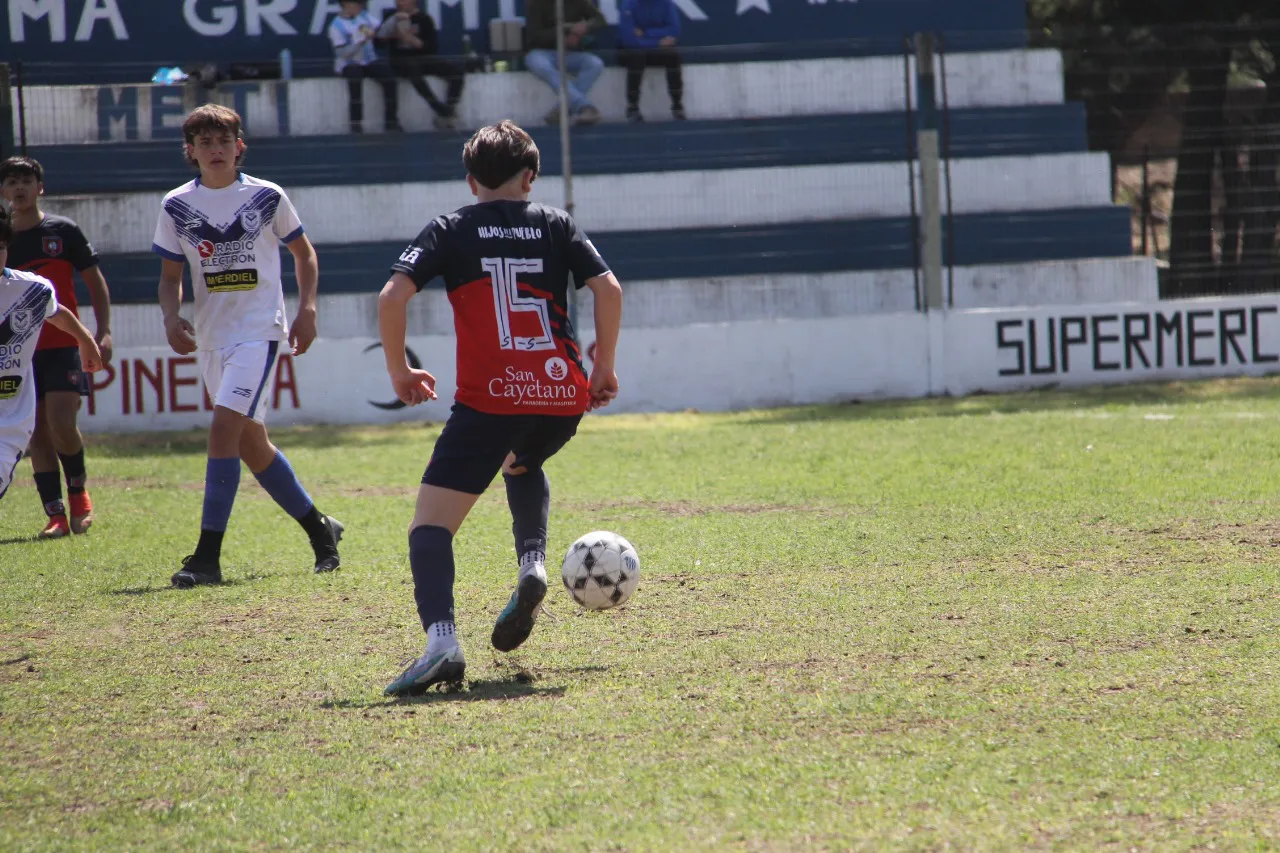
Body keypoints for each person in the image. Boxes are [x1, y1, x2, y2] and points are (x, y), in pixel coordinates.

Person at [378, 120, 623, 695]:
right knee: (522, 462)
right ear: (530, 176)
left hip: (491, 398)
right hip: (562, 394)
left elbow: (393, 293)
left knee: (430, 527)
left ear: (470, 182)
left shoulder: (451, 227)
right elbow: (608, 289)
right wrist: (604, 366)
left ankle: (441, 642)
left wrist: (399, 370)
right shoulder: (557, 223)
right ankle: (532, 562)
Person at [151, 104, 343, 588]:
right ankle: (321, 530)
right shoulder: (176, 205)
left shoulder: (266, 196)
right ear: (190, 151)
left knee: (222, 433)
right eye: (204, 143)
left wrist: (308, 310)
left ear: (239, 147)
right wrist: (171, 317)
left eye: (223, 142)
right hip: (212, 339)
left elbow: (305, 254)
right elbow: (170, 274)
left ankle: (207, 558)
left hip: (260, 331)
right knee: (251, 445)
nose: (215, 150)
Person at [0, 156, 113, 539]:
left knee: (62, 423)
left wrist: (101, 332)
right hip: (20, 353)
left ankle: (79, 494)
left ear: (40, 187)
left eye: (26, 181)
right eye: (12, 182)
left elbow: (95, 283)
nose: (19, 188)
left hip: (63, 343)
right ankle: (55, 514)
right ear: (2, 190)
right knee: (37, 434)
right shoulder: (4, 240)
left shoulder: (63, 231)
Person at [378, 0, 464, 130]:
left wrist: (411, 40)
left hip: (422, 58)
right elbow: (378, 42)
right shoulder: (391, 17)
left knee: (456, 73)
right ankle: (438, 108)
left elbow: (431, 47)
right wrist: (391, 35)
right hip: (400, 61)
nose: (399, 3)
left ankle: (449, 108)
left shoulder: (424, 19)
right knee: (413, 69)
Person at [523, 0, 607, 126]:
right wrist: (565, 32)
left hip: (569, 53)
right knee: (540, 64)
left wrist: (584, 28)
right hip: (542, 52)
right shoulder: (537, 3)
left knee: (594, 63)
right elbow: (533, 36)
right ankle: (584, 107)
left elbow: (600, 20)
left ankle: (562, 109)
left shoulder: (579, 2)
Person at [328, 0, 403, 134]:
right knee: (355, 80)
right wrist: (359, 42)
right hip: (349, 63)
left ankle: (391, 121)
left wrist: (394, 19)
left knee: (390, 78)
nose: (360, 6)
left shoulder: (364, 16)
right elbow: (342, 54)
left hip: (369, 61)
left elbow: (381, 32)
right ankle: (356, 123)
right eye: (356, 4)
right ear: (346, 4)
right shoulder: (336, 26)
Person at [617, 0, 685, 122]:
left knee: (673, 55)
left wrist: (646, 33)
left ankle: (677, 105)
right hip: (632, 51)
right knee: (637, 55)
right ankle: (632, 107)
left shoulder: (666, 4)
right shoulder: (629, 5)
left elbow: (674, 30)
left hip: (652, 49)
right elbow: (628, 39)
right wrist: (657, 41)